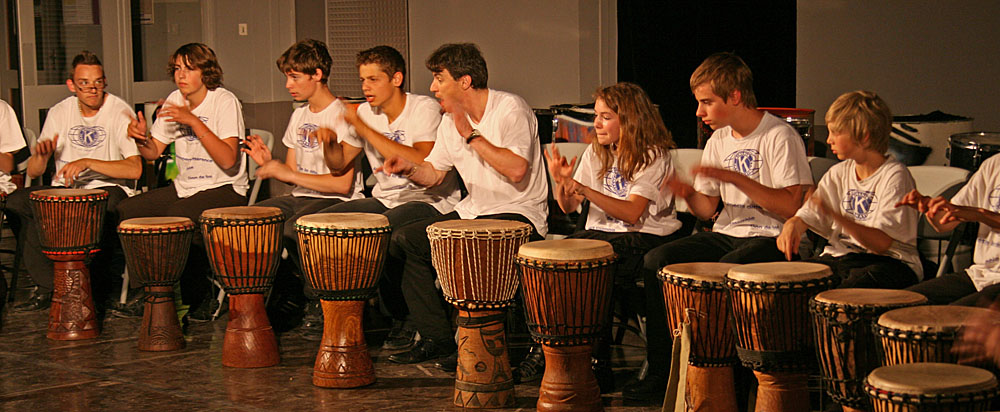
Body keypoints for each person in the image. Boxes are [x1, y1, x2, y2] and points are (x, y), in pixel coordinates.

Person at [628, 52, 812, 401]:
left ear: (736, 96)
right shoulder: (718, 140)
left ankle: (733, 376)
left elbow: (791, 205)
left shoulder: (779, 136)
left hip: (770, 238)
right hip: (727, 233)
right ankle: (663, 370)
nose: (699, 112)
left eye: (707, 102)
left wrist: (733, 177)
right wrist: (684, 192)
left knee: (731, 270)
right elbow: (708, 208)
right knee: (656, 261)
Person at [377, 43, 549, 364]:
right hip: (474, 212)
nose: (432, 88)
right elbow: (435, 174)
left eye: (439, 79)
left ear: (464, 81)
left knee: (466, 242)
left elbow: (516, 169)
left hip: (519, 213)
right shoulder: (449, 121)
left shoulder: (510, 108)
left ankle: (486, 345)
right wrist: (409, 168)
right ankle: (437, 337)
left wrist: (471, 135)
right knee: (405, 241)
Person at [541, 81, 685, 391]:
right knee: (546, 263)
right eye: (596, 115)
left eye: (606, 116)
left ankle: (597, 362)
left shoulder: (654, 155)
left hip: (643, 238)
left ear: (629, 119)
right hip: (599, 234)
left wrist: (584, 189)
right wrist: (563, 184)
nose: (596, 123)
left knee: (591, 268)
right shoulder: (597, 152)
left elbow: (633, 213)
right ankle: (564, 356)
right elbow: (569, 207)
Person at [314, 45, 457, 348]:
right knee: (324, 226)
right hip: (386, 198)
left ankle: (404, 318)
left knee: (382, 231)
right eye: (362, 79)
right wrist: (329, 145)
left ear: (396, 78)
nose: (365, 87)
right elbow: (340, 166)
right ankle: (348, 313)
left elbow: (423, 158)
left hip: (429, 199)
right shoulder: (365, 112)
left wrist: (363, 128)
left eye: (373, 79)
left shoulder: (422, 108)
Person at [117, 43, 247, 320]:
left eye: (189, 68)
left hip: (225, 188)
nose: (181, 75)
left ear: (206, 72)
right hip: (185, 186)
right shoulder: (175, 99)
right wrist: (140, 139)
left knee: (176, 217)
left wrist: (194, 121)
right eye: (177, 68)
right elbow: (153, 153)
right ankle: (150, 291)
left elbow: (227, 160)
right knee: (128, 212)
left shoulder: (224, 101)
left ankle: (198, 295)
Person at [242, 39, 364, 333]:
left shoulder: (345, 114)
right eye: (287, 76)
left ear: (318, 74)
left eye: (294, 76)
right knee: (251, 222)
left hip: (338, 200)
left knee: (292, 227)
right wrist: (271, 163)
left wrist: (288, 174)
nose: (288, 84)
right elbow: (293, 171)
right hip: (302, 196)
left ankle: (314, 298)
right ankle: (278, 294)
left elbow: (342, 184)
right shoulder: (299, 115)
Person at [7, 51, 141, 313]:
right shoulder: (60, 112)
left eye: (98, 82)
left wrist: (89, 162)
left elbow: (135, 169)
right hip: (64, 190)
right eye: (85, 83)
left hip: (108, 188)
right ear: (72, 86)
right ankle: (51, 287)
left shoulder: (119, 110)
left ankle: (93, 287)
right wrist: (42, 156)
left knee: (104, 204)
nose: (93, 89)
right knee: (17, 203)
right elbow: (34, 170)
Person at [777, 90, 921, 290]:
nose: (829, 140)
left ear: (863, 136)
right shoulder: (838, 173)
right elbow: (809, 216)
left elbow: (880, 244)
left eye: (835, 132)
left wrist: (838, 217)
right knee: (791, 282)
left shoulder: (895, 176)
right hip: (843, 258)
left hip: (891, 263)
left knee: (845, 290)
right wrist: (793, 224)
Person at [897, 150, 1000, 306]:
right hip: (980, 274)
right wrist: (931, 209)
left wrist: (979, 214)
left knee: (950, 318)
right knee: (899, 304)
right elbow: (945, 224)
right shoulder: (994, 164)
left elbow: (972, 213)